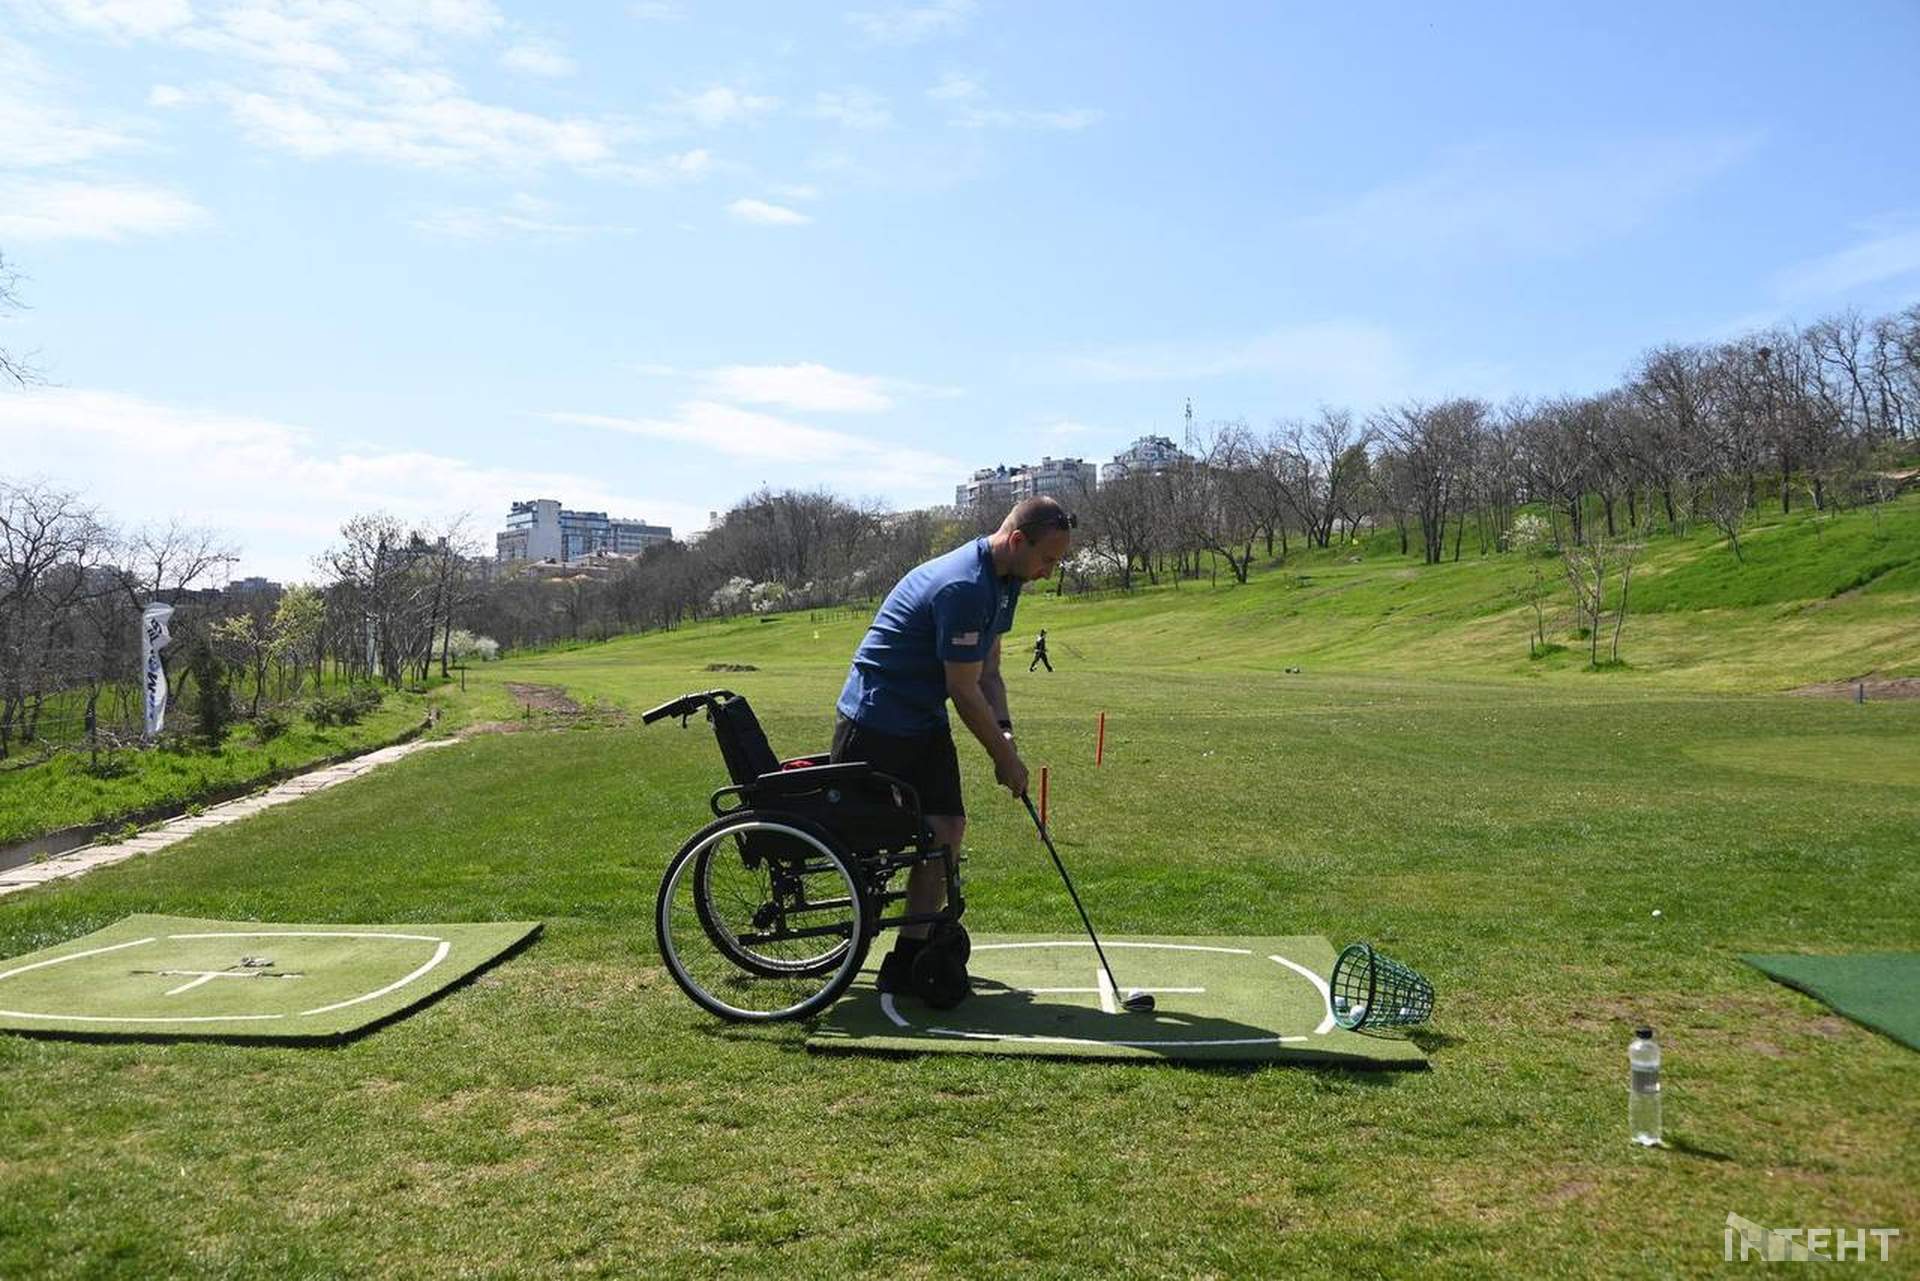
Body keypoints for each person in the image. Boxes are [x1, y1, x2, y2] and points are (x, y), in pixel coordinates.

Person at [830, 496, 1076, 1000]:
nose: (1049, 572)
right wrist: (1004, 759)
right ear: (1016, 541)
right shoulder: (964, 586)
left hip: (922, 718)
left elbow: (989, 673)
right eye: (1047, 560)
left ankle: (906, 959)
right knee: (880, 838)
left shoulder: (1007, 582)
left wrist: (1005, 732)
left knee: (948, 828)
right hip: (878, 720)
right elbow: (963, 689)